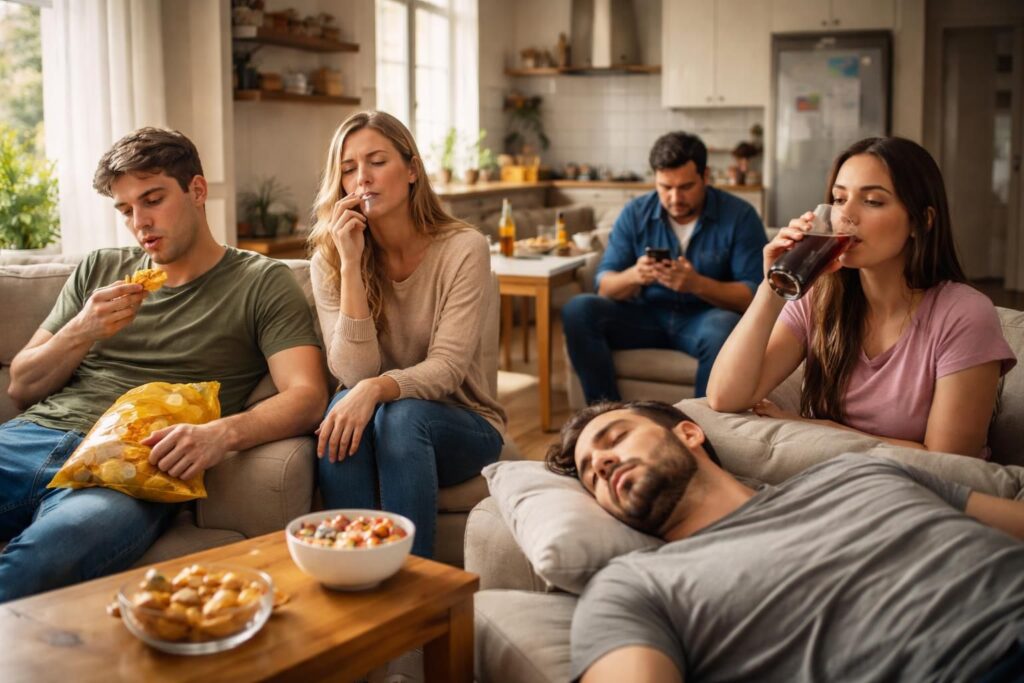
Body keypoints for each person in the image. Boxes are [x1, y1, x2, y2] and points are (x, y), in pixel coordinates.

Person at [0, 128, 327, 602]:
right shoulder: (99, 269)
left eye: (152, 200)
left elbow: (307, 395)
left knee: (45, 558)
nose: (139, 223)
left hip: (132, 470)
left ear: (197, 190)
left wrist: (221, 434)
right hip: (34, 438)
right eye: (126, 209)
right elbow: (21, 387)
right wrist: (83, 328)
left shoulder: (262, 282)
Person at [545, 400, 1024, 682]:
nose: (602, 465)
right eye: (590, 474)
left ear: (689, 433)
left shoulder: (859, 470)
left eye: (615, 438)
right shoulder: (635, 588)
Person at [707, 137, 1016, 459]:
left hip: (923, 495)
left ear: (921, 221)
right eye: (839, 200)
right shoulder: (818, 298)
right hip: (833, 480)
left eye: (872, 201)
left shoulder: (963, 314)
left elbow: (948, 461)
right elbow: (724, 397)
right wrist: (773, 287)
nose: (847, 216)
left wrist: (814, 428)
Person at [308, 111, 506, 559]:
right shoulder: (331, 258)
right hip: (377, 417)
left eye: (376, 161)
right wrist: (353, 265)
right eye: (348, 169)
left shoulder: (463, 248)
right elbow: (353, 371)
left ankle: (415, 588)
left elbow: (449, 369)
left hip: (463, 421)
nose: (362, 179)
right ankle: (352, 569)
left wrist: (378, 389)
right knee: (344, 405)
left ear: (412, 169)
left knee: (398, 416)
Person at [562, 131, 767, 401]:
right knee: (578, 309)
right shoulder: (636, 213)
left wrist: (697, 284)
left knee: (724, 326)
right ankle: (606, 415)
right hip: (645, 316)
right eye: (665, 187)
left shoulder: (740, 216)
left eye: (685, 187)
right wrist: (634, 276)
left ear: (705, 177)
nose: (674, 197)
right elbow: (605, 285)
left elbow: (755, 297)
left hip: (704, 318)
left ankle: (703, 427)